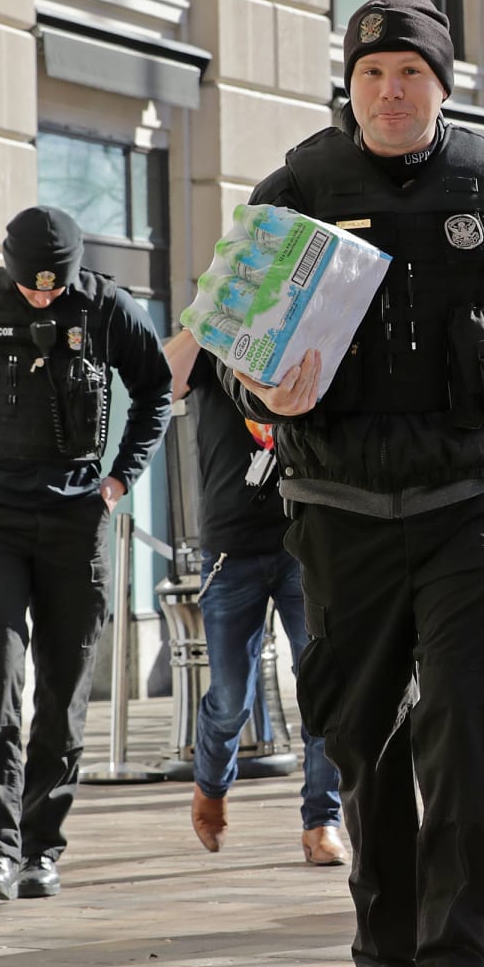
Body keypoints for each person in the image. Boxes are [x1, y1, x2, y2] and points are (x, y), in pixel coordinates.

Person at [214, 0, 484, 967]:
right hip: (337, 512)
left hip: (470, 510)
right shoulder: (295, 187)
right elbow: (231, 351)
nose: (391, 92)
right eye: (373, 74)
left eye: (412, 75)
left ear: (443, 85)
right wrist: (264, 395)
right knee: (366, 744)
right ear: (349, 86)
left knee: (468, 731)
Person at [0, 206, 172, 901]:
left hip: (78, 524)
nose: (43, 295)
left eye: (55, 286)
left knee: (63, 689)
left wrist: (120, 479)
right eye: (32, 285)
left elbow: (156, 390)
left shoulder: (110, 310)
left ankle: (42, 845)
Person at [162, 330, 345, 864]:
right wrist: (202, 323)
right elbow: (158, 380)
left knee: (323, 686)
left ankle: (321, 822)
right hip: (230, 549)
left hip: (303, 543)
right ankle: (212, 787)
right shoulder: (216, 351)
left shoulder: (309, 346)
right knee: (231, 699)